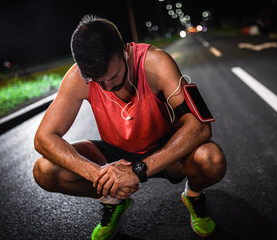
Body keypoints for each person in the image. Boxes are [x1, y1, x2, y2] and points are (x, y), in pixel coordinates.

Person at [33, 15, 226, 240]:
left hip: (164, 147)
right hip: (115, 151)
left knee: (211, 159)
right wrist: (101, 177)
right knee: (44, 171)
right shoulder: (78, 77)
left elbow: (200, 127)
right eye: (97, 81)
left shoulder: (156, 62)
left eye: (114, 76)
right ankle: (112, 202)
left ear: (123, 51)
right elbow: (43, 138)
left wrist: (138, 170)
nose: (108, 86)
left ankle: (193, 195)